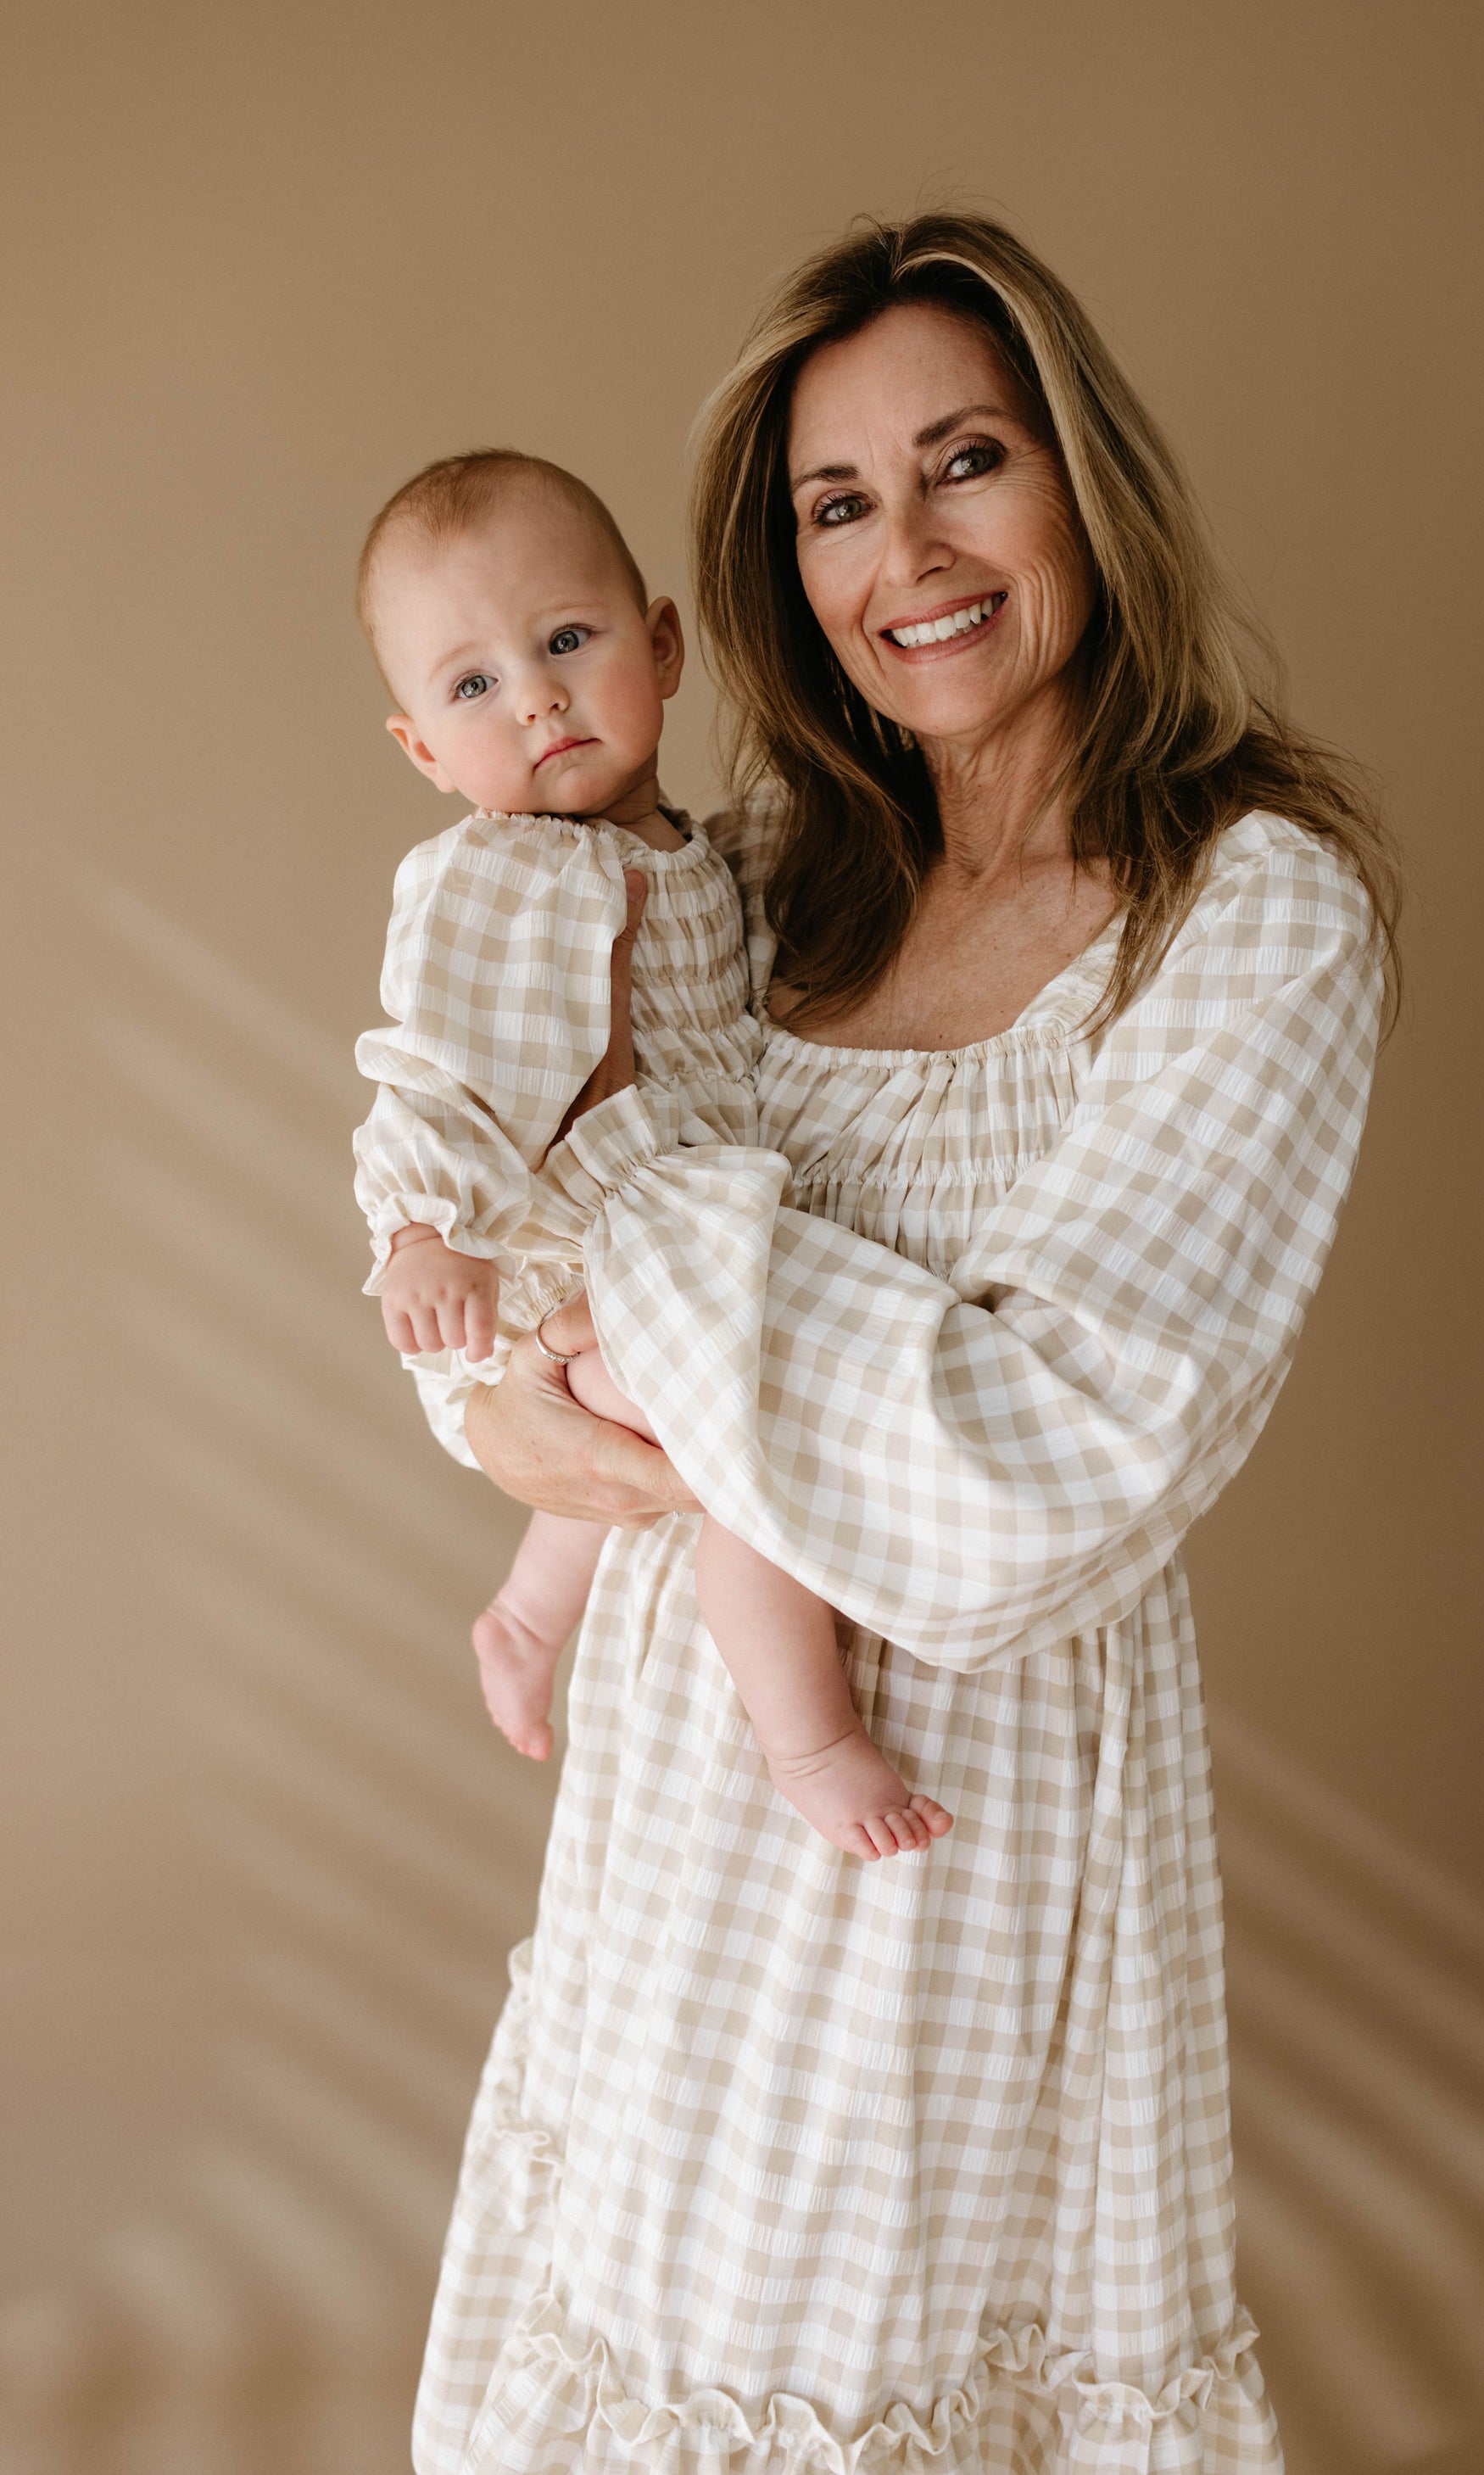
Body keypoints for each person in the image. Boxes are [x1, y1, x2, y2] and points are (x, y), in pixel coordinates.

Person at [411, 214, 1399, 2475]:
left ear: (1087, 484)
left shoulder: (1244, 913)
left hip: (937, 1824)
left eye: (967, 461)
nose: (907, 551)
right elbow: (479, 1206)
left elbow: (1024, 1477)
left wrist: (629, 1266)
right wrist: (496, 1397)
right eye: (836, 502)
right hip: (673, 1796)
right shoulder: (748, 884)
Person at [354, 449, 951, 1858]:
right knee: (743, 1435)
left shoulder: (706, 853)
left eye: (566, 641)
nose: (538, 695)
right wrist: (419, 1230)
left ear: (660, 646)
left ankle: (526, 1613)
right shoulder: (495, 873)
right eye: (474, 684)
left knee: (695, 1423)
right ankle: (809, 1741)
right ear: (425, 751)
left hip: (684, 1228)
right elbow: (429, 1067)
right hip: (599, 1236)